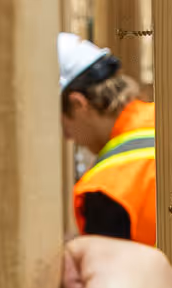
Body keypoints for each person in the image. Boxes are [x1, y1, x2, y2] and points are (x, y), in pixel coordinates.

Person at [60, 33, 157, 244]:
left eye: (63, 125)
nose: (67, 137)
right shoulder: (170, 122)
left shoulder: (106, 190)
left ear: (78, 104)